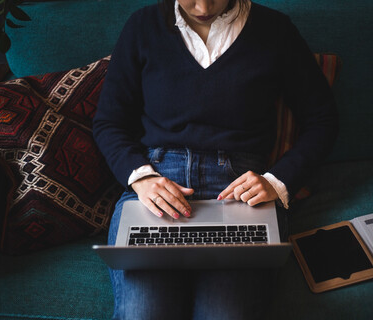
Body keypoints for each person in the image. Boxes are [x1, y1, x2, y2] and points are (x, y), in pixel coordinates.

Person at [92, 0, 338, 318]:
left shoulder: (276, 30)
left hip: (239, 192)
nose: (203, 6)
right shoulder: (142, 26)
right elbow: (108, 122)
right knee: (145, 313)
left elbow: (322, 120)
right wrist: (142, 178)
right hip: (158, 181)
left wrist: (277, 181)